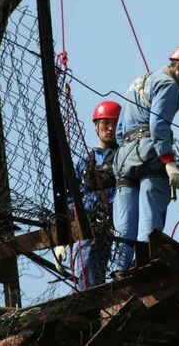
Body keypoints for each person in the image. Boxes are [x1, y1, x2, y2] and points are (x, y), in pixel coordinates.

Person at [110, 43, 179, 273]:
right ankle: (145, 269)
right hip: (149, 156)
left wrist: (129, 150)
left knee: (124, 225)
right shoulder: (168, 85)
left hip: (124, 159)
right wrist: (168, 161)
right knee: (150, 216)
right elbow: (158, 124)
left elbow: (120, 131)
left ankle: (118, 272)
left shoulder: (138, 82)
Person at [54, 100, 121, 289]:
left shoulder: (123, 157)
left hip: (111, 223)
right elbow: (69, 199)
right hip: (85, 226)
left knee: (102, 273)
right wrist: (62, 240)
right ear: (96, 126)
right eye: (106, 123)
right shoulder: (85, 162)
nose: (110, 128)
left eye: (115, 123)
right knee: (86, 275)